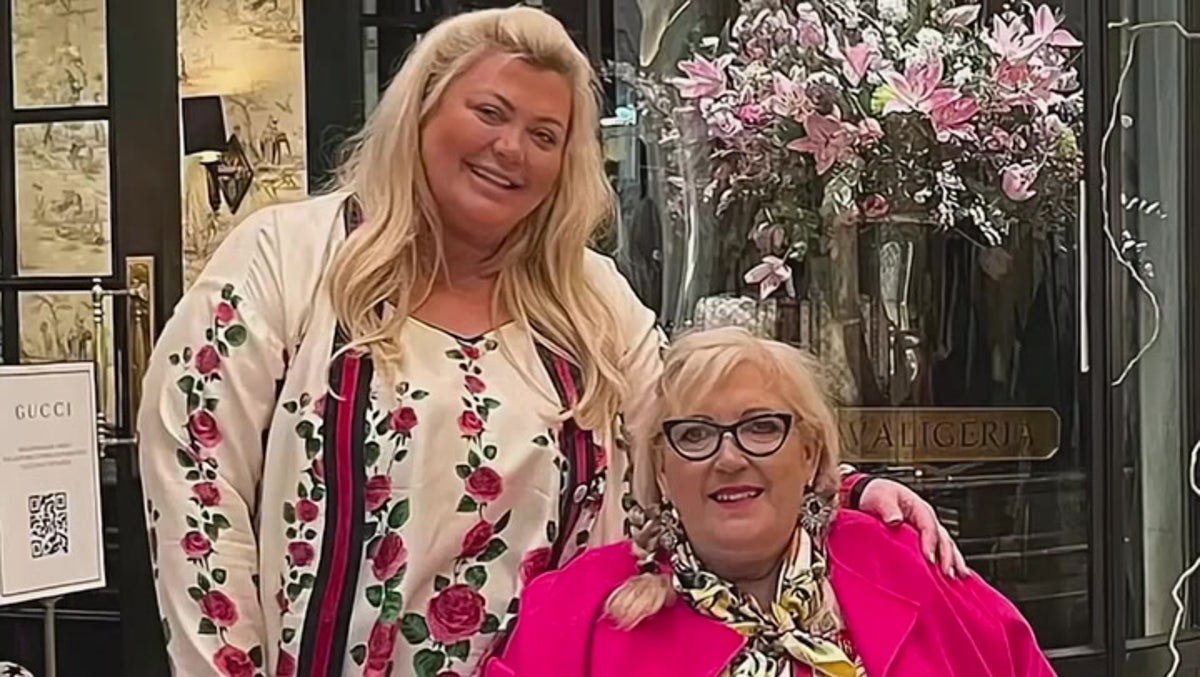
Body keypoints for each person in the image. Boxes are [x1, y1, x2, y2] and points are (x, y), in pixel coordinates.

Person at [137, 7, 964, 676]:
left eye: (544, 134)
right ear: (422, 111)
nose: (511, 149)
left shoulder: (588, 298)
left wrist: (842, 486)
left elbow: (690, 429)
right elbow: (197, 490)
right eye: (490, 113)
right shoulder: (287, 259)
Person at [486, 327, 1054, 677]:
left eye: (761, 427)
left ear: (809, 453)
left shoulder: (909, 565)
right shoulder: (574, 610)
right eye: (695, 434)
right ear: (662, 468)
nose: (729, 458)